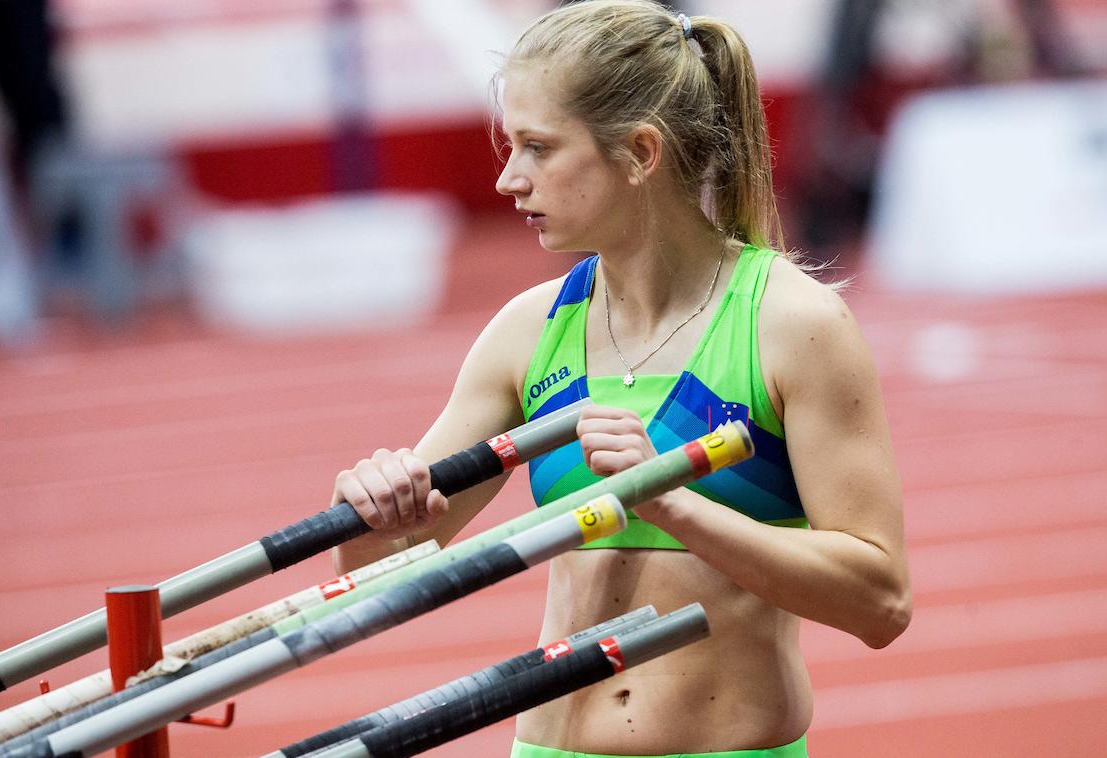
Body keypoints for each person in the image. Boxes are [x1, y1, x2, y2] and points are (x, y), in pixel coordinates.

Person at [332, 2, 911, 756]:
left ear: (640, 152)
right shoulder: (528, 331)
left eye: (539, 148)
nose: (510, 179)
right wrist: (374, 510)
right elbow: (380, 578)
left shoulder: (791, 324)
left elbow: (880, 601)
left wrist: (669, 500)